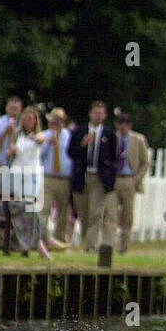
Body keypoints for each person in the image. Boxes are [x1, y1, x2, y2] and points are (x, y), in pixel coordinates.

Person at [68, 100, 117, 251]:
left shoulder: (109, 134)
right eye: (95, 113)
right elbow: (71, 152)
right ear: (90, 114)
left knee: (96, 213)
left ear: (105, 115)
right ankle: (87, 240)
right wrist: (82, 145)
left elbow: (114, 158)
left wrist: (109, 177)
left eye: (101, 113)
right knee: (83, 212)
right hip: (82, 176)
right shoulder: (79, 131)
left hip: (99, 178)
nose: (98, 116)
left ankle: (90, 246)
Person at [5, 107, 50, 258]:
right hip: (17, 175)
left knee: (30, 207)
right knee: (24, 208)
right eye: (26, 119)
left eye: (32, 119)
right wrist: (11, 150)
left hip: (31, 175)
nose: (29, 122)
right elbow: (10, 152)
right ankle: (41, 244)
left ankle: (36, 244)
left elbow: (41, 140)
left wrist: (32, 138)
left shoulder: (39, 135)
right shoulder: (17, 135)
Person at [107, 112, 148, 254]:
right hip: (114, 179)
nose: (123, 127)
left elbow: (145, 163)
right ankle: (110, 245)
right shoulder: (111, 138)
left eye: (126, 124)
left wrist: (136, 179)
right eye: (120, 124)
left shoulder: (138, 140)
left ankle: (124, 247)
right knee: (111, 213)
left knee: (127, 215)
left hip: (129, 179)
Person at [38, 108, 72, 250]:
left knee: (63, 212)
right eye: (53, 121)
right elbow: (39, 155)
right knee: (44, 209)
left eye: (58, 121)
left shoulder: (69, 136)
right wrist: (48, 143)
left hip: (65, 178)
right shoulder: (43, 136)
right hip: (48, 177)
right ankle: (41, 240)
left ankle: (59, 240)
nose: (55, 124)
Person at [0, 95, 23, 166]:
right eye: (11, 108)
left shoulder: (23, 125)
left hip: (18, 166)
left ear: (20, 109)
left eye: (16, 108)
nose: (13, 110)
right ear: (6, 107)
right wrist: (5, 133)